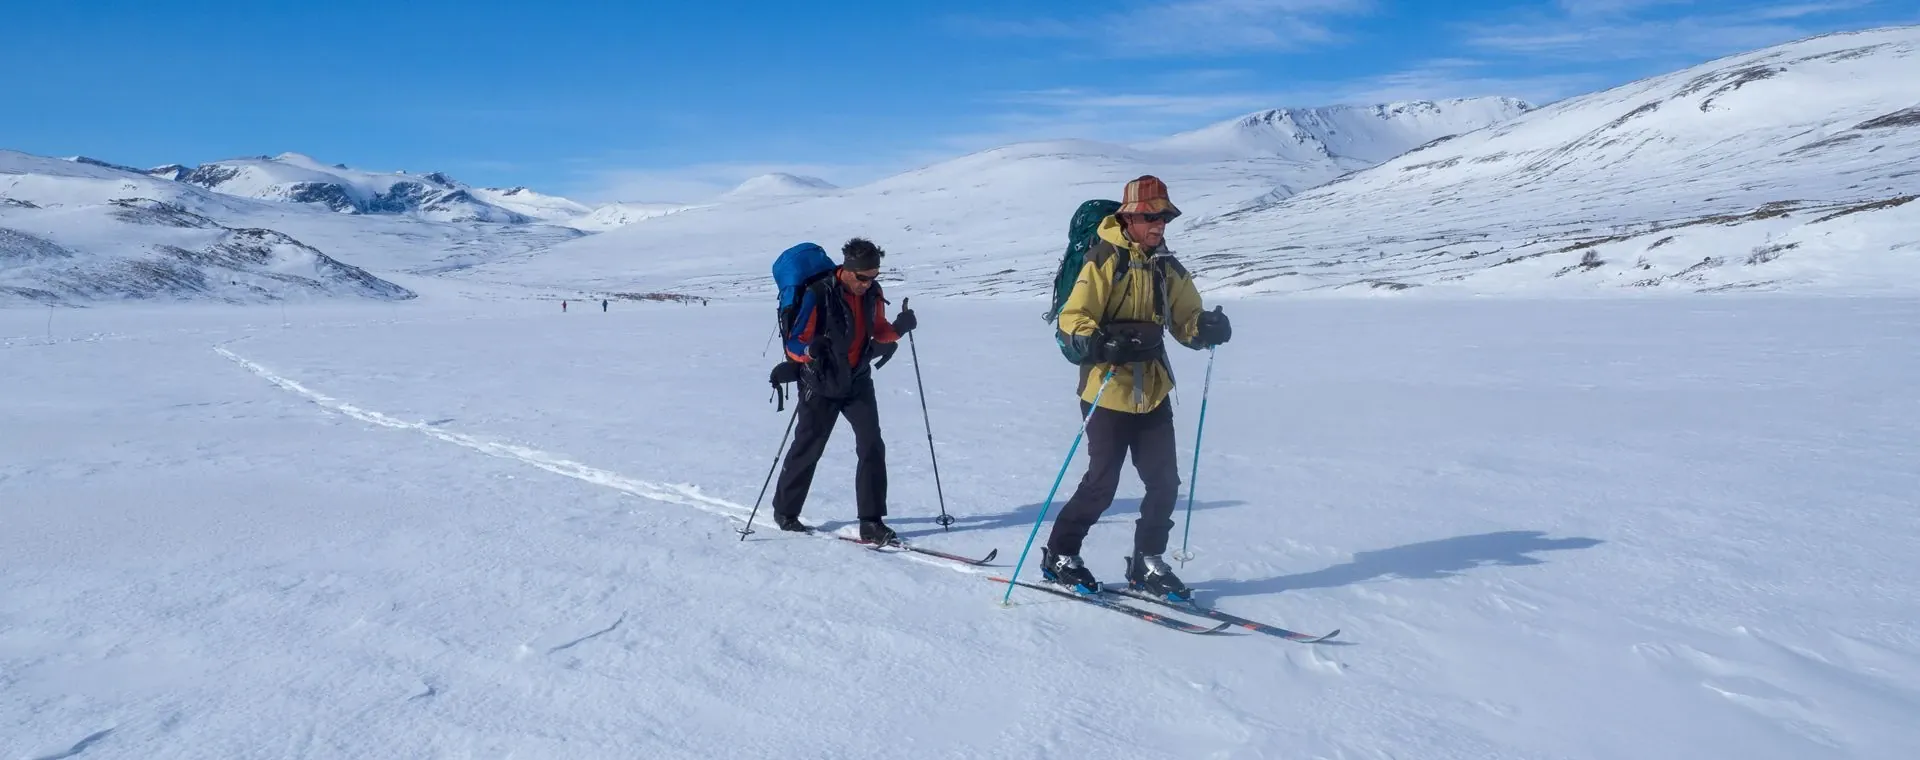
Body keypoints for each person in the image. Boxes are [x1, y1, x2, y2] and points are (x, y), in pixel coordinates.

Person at [1041, 175, 1231, 600]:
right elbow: (1075, 317)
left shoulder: (1166, 265)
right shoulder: (1104, 258)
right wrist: (1101, 342)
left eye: (1164, 216)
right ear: (1128, 217)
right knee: (1102, 482)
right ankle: (1060, 555)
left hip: (1153, 390)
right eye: (1150, 216)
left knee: (1164, 482)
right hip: (1106, 389)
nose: (1159, 224)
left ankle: (1147, 561)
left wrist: (1207, 327)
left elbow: (1186, 320)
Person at [769, 238, 918, 543]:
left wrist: (900, 327)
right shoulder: (818, 293)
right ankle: (785, 512)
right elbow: (794, 343)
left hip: (857, 379)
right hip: (820, 382)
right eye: (863, 277)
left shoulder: (872, 292)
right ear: (848, 270)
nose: (868, 283)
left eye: (874, 276)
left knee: (872, 445)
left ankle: (871, 522)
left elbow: (878, 331)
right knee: (809, 447)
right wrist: (811, 349)